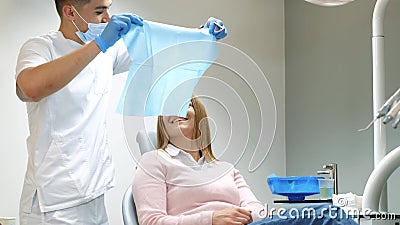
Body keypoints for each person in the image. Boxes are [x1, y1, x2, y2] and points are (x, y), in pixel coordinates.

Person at [14, 0, 228, 224]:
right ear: (70, 12)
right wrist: (99, 43)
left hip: (93, 193)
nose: (108, 18)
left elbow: (161, 49)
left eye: (108, 8)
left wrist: (202, 35)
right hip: (51, 201)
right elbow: (31, 88)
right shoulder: (40, 47)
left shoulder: (107, 52)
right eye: (99, 11)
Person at [132, 97, 264, 225]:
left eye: (185, 104)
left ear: (199, 117)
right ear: (163, 125)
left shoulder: (227, 169)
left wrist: (236, 218)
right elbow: (151, 221)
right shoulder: (153, 161)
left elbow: (258, 211)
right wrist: (211, 219)